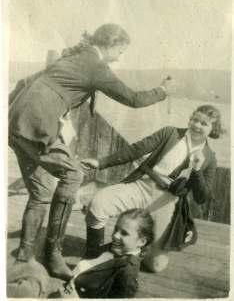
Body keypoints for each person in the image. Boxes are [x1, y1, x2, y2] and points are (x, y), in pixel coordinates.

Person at [8, 23, 173, 280]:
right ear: (112, 45)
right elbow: (133, 99)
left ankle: (24, 257)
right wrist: (162, 91)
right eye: (121, 51)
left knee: (40, 192)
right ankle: (53, 254)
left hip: (18, 124)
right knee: (73, 175)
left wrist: (16, 115)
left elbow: (25, 82)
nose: (120, 58)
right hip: (37, 124)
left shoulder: (75, 55)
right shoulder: (96, 65)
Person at [81, 105, 222, 272]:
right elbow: (137, 149)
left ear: (213, 129)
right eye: (195, 119)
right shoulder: (170, 133)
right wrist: (101, 163)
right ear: (190, 119)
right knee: (100, 202)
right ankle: (93, 255)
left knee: (155, 266)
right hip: (142, 186)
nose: (197, 126)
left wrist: (197, 170)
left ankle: (129, 249)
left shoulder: (210, 158)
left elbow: (202, 197)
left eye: (204, 124)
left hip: (167, 201)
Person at [60, 208, 154, 298]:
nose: (115, 236)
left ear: (141, 242)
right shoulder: (115, 247)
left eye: (124, 233)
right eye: (116, 229)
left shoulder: (127, 273)